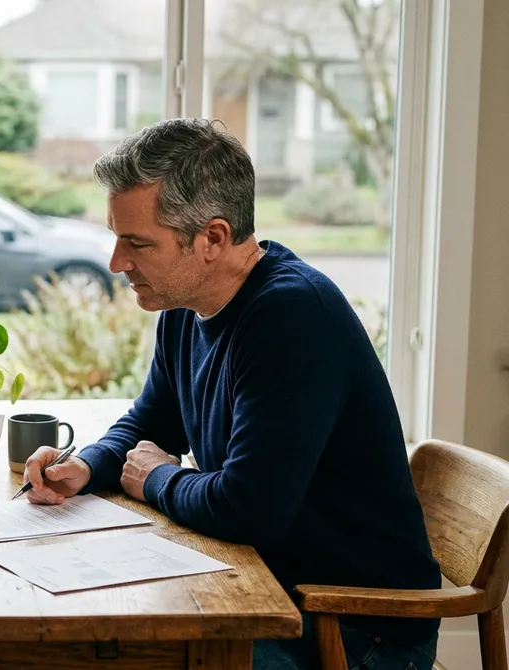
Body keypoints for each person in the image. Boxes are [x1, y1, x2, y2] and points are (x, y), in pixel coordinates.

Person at [22, 119, 441, 670]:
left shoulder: (292, 318)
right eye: (116, 237)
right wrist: (88, 466)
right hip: (267, 587)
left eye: (137, 242)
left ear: (213, 239)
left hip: (354, 627)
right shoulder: (185, 305)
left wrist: (156, 479)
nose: (117, 262)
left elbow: (248, 510)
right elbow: (151, 425)